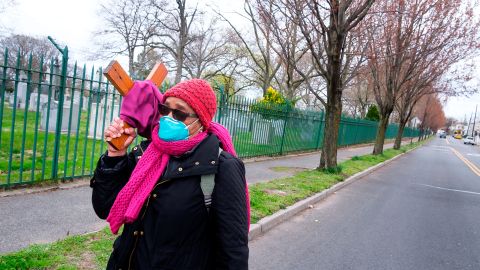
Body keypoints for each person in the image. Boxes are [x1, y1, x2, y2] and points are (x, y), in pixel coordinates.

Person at [90, 79, 249, 270]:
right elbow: (105, 208)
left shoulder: (222, 167)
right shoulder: (145, 153)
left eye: (179, 113)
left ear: (200, 120)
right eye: (165, 110)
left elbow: (233, 250)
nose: (168, 117)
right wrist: (115, 156)